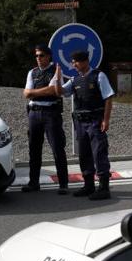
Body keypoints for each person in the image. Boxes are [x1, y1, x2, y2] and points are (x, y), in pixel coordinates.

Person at [56, 50, 115, 200]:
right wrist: (57, 79)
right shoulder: (74, 79)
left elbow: (108, 98)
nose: (73, 64)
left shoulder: (98, 76)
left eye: (75, 61)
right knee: (84, 154)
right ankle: (89, 185)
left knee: (99, 153)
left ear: (85, 62)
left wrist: (105, 120)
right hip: (80, 122)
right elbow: (61, 92)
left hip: (95, 121)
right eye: (73, 61)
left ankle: (103, 188)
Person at [22, 44, 69, 195]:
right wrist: (41, 91)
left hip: (51, 113)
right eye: (36, 56)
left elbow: (54, 90)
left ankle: (63, 184)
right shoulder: (32, 72)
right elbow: (26, 94)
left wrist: (34, 92)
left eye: (41, 55)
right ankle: (33, 183)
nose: (38, 58)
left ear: (48, 56)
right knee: (34, 150)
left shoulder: (56, 70)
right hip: (34, 113)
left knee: (57, 148)